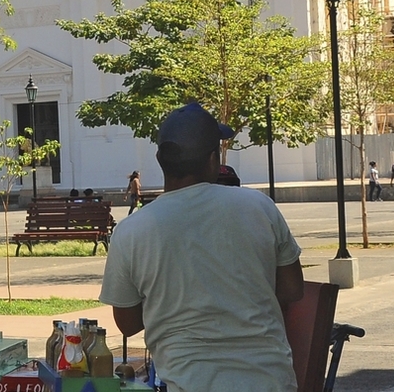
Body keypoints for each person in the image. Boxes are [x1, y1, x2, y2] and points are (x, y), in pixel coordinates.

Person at [100, 103, 304, 391]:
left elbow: (128, 323)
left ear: (159, 159)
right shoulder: (259, 206)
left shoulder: (131, 231)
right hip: (269, 381)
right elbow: (293, 289)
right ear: (212, 160)